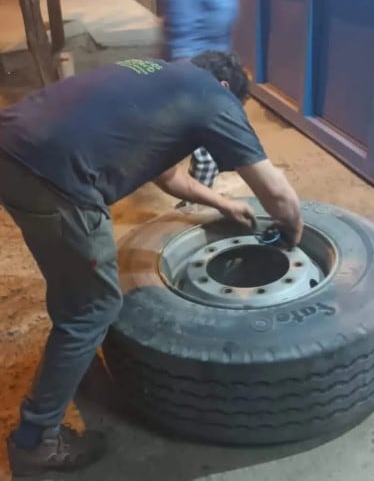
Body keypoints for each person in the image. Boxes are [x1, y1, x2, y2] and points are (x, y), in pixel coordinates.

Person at [0, 52, 303, 476]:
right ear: (223, 89)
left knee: (71, 279)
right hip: (56, 177)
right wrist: (292, 230)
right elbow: (278, 194)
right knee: (94, 308)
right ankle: (36, 439)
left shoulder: (159, 73)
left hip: (12, 147)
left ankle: (77, 366)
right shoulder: (214, 99)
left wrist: (222, 201)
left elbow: (169, 177)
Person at [160, 0, 247, 191]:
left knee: (220, 151)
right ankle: (193, 212)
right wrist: (202, 96)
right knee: (209, 155)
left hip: (217, 70)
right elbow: (181, 45)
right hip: (191, 74)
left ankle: (195, 200)